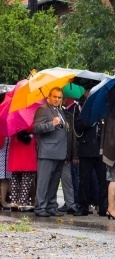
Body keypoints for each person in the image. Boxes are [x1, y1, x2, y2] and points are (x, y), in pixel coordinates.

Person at [32, 87, 70, 217]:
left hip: (60, 152)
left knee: (54, 181)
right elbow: (36, 128)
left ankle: (51, 205)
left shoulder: (60, 111)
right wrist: (51, 124)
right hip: (47, 151)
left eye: (59, 97)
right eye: (54, 97)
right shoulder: (43, 109)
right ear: (49, 96)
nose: (57, 99)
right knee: (44, 181)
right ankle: (40, 207)